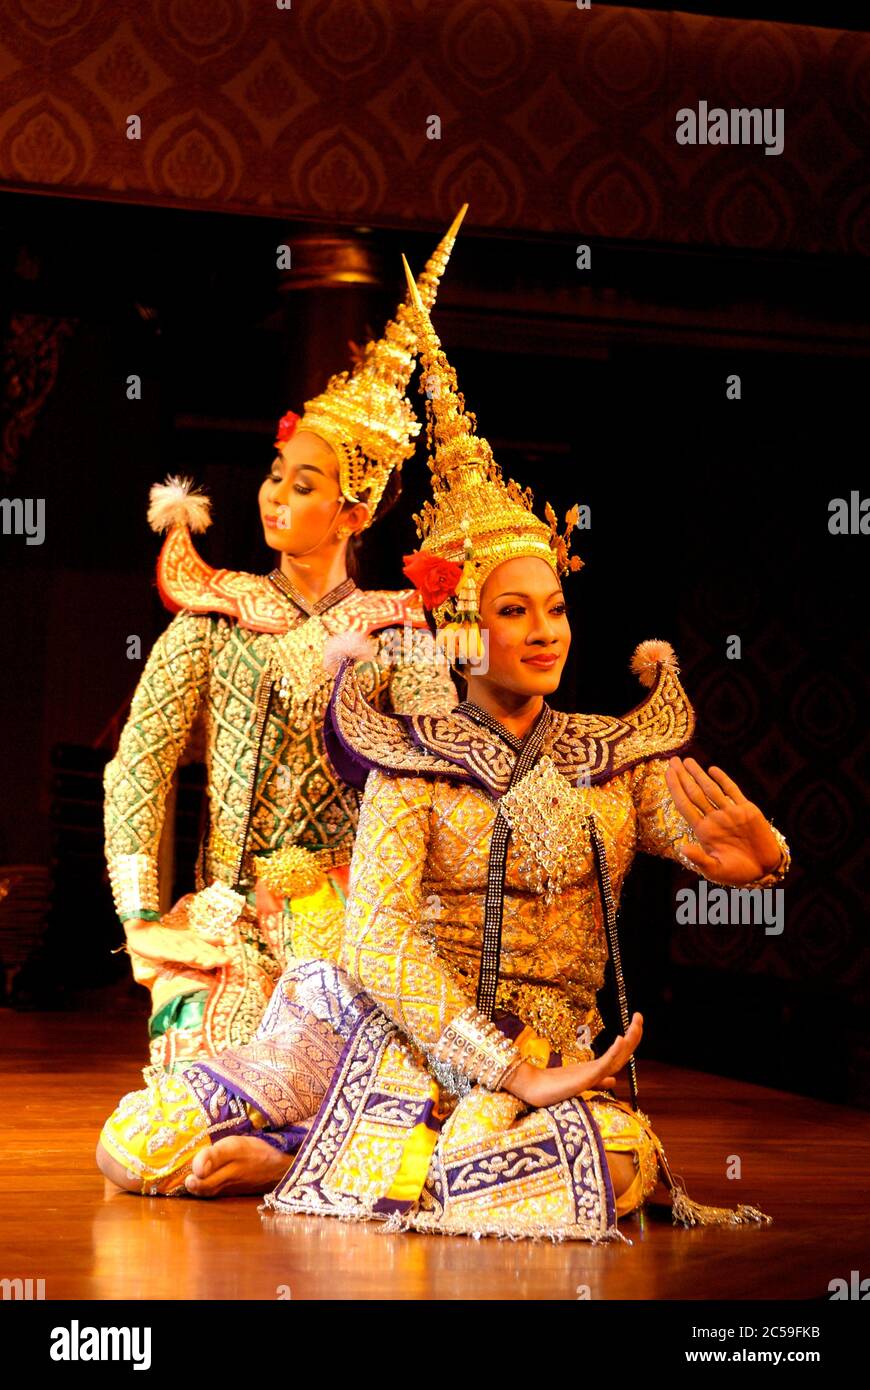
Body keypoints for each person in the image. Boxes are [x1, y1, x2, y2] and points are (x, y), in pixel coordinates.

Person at [97, 257, 789, 1241]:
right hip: (350, 1002)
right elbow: (367, 935)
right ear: (466, 623)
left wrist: (764, 862)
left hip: (518, 1063)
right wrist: (138, 912)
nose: (545, 630)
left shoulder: (597, 756)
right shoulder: (404, 756)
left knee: (599, 1162)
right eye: (516, 610)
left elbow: (688, 829)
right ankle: (316, 1146)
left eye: (556, 607)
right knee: (140, 1140)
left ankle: (319, 1159)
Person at [102, 212, 465, 1070]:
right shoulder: (213, 617)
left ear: (354, 511)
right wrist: (142, 919)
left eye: (303, 486)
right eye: (274, 476)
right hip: (226, 922)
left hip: (352, 924)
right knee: (197, 1099)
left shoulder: (397, 632)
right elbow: (139, 770)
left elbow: (445, 778)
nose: (274, 498)